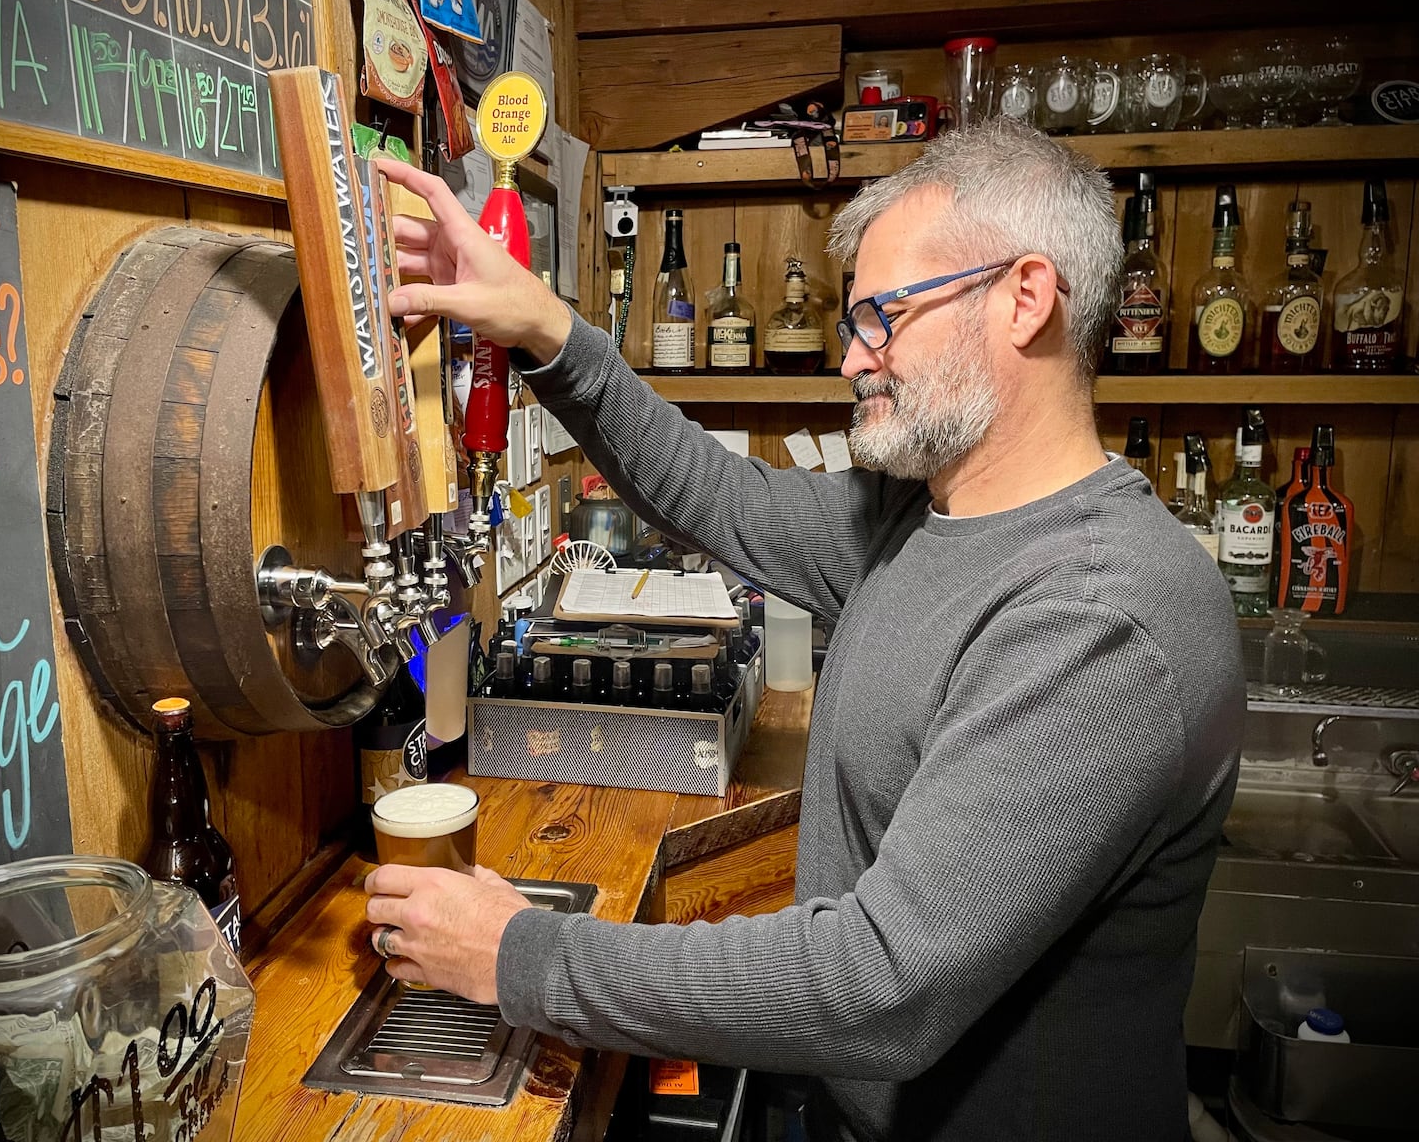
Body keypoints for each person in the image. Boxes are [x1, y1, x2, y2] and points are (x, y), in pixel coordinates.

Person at [363, 118, 1244, 1142]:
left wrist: (520, 956)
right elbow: (719, 498)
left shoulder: (1100, 619)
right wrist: (545, 330)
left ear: (1024, 297)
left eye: (880, 318)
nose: (850, 358)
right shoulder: (920, 515)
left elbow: (878, 986)